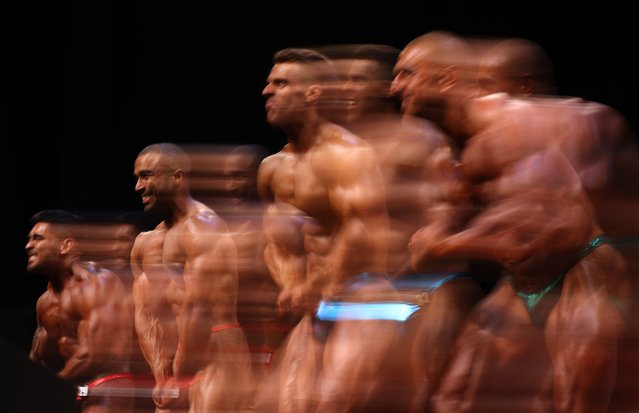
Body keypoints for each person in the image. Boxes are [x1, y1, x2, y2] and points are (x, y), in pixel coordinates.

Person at [391, 31, 633, 412]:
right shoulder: (452, 154)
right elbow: (448, 232)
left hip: (593, 271)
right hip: (522, 282)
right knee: (455, 398)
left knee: (580, 401)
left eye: (406, 74)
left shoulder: (517, 126)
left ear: (447, 78)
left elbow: (557, 230)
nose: (394, 87)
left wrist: (446, 244)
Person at [317, 43, 484, 412]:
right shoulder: (344, 154)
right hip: (368, 292)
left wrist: (436, 240)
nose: (344, 89)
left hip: (426, 288)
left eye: (355, 80)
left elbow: (450, 213)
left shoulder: (427, 140)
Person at [255, 47, 398, 413]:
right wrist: (289, 282)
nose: (266, 91)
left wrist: (314, 284)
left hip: (362, 300)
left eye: (280, 83)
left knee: (333, 405)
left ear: (313, 93)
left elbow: (363, 231)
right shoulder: (272, 169)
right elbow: (276, 242)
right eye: (269, 83)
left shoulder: (347, 154)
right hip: (315, 307)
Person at [130, 143, 252, 413]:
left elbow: (199, 309)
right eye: (137, 178)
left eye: (146, 175)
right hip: (177, 362)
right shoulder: (145, 243)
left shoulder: (202, 228)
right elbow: (144, 312)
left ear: (177, 177)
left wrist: (179, 377)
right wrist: (161, 373)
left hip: (216, 353)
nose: (138, 187)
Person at [26, 209, 135, 413]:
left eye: (38, 238)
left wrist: (47, 386)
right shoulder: (45, 302)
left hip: (104, 386)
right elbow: (38, 357)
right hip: (68, 387)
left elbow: (96, 355)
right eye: (29, 239)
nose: (28, 245)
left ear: (66, 245)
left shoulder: (98, 283)